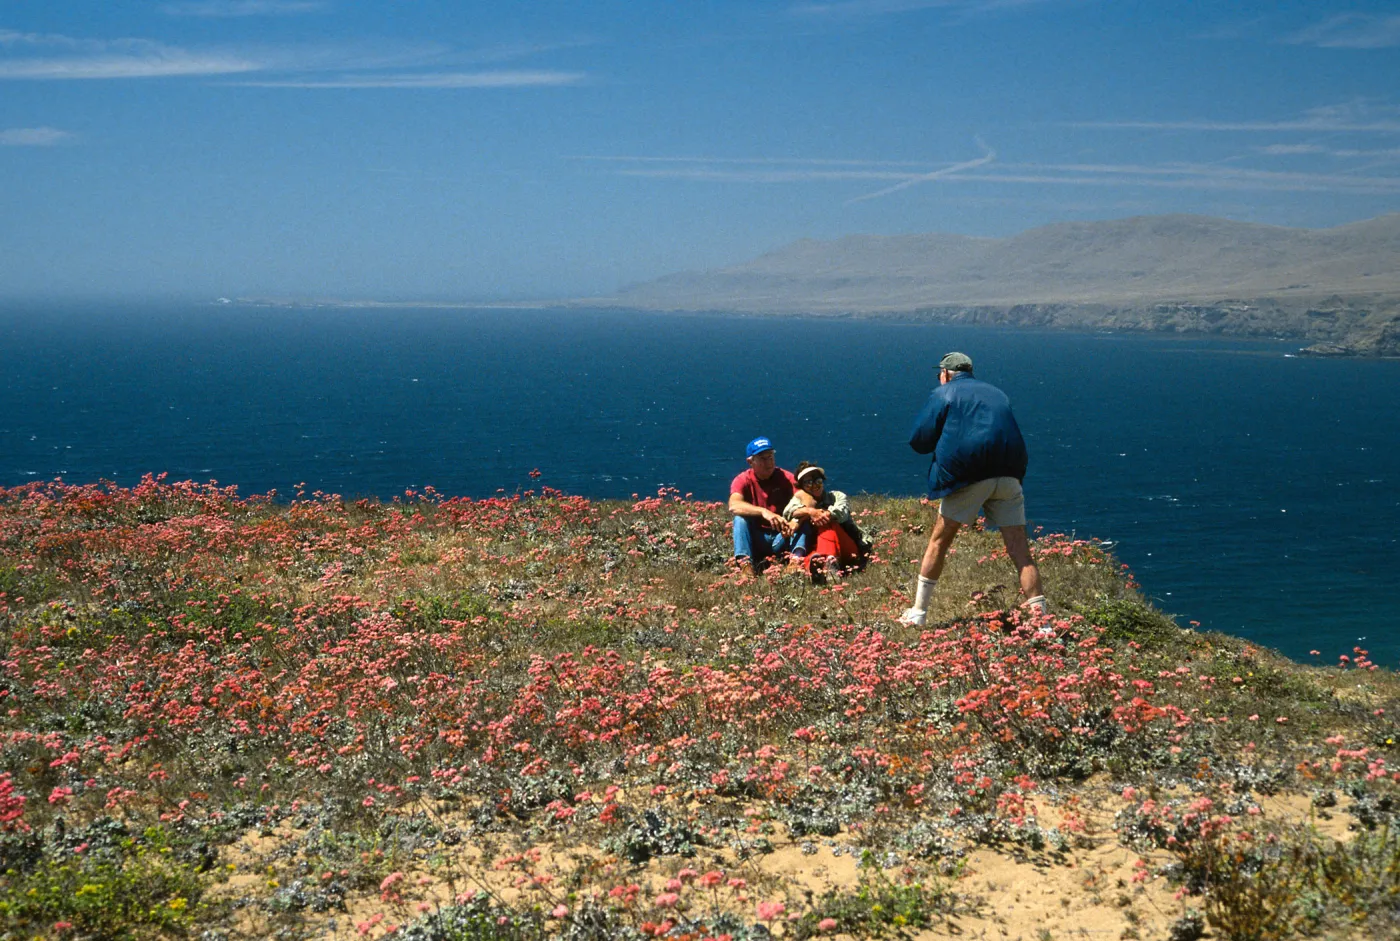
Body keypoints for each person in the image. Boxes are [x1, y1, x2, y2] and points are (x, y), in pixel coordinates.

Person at [900, 352, 1047, 627]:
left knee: (939, 542)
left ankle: (918, 613)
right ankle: (1044, 625)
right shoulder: (997, 393)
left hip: (969, 476)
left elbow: (918, 440)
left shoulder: (944, 393)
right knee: (1020, 551)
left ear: (946, 374)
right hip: (1009, 475)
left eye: (939, 375)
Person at [729, 437, 813, 571]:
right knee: (739, 519)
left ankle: (795, 562)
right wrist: (764, 512)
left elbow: (807, 499)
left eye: (771, 457)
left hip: (782, 536)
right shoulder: (743, 479)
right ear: (751, 461)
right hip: (757, 538)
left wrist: (795, 522)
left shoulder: (785, 477)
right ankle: (746, 567)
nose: (769, 462)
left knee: (803, 518)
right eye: (763, 458)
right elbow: (734, 505)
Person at [783, 462, 869, 578]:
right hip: (818, 548)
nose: (815, 485)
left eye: (818, 481)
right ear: (802, 487)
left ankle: (829, 562)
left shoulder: (837, 496)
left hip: (846, 548)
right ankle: (818, 567)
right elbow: (788, 512)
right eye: (808, 483)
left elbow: (841, 512)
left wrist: (822, 514)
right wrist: (810, 511)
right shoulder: (799, 500)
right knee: (814, 556)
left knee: (826, 522)